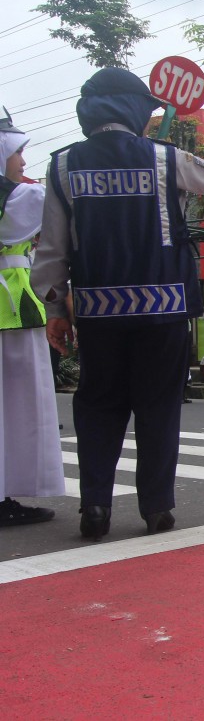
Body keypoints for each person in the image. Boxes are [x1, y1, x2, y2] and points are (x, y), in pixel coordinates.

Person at [33, 66, 204, 539]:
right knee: (158, 405)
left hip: (98, 312)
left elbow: (52, 252)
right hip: (162, 307)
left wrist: (56, 311)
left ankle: (95, 507)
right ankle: (156, 508)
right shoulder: (163, 159)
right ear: (132, 108)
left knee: (98, 405)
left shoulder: (62, 166)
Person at [0, 109, 63, 528]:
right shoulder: (18, 198)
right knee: (16, 407)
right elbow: (59, 198)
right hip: (11, 312)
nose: (23, 162)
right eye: (18, 152)